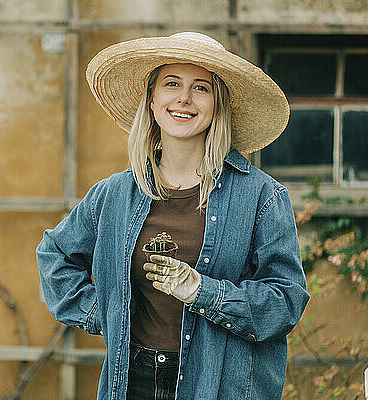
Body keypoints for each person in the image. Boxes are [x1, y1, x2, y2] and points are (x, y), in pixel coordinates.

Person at [36, 32, 310, 400]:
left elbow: (286, 301)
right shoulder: (114, 194)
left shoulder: (260, 197)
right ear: (152, 99)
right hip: (133, 382)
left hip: (219, 385)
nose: (184, 98)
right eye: (171, 83)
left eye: (201, 87)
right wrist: (112, 313)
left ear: (217, 105)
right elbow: (55, 257)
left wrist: (203, 292)